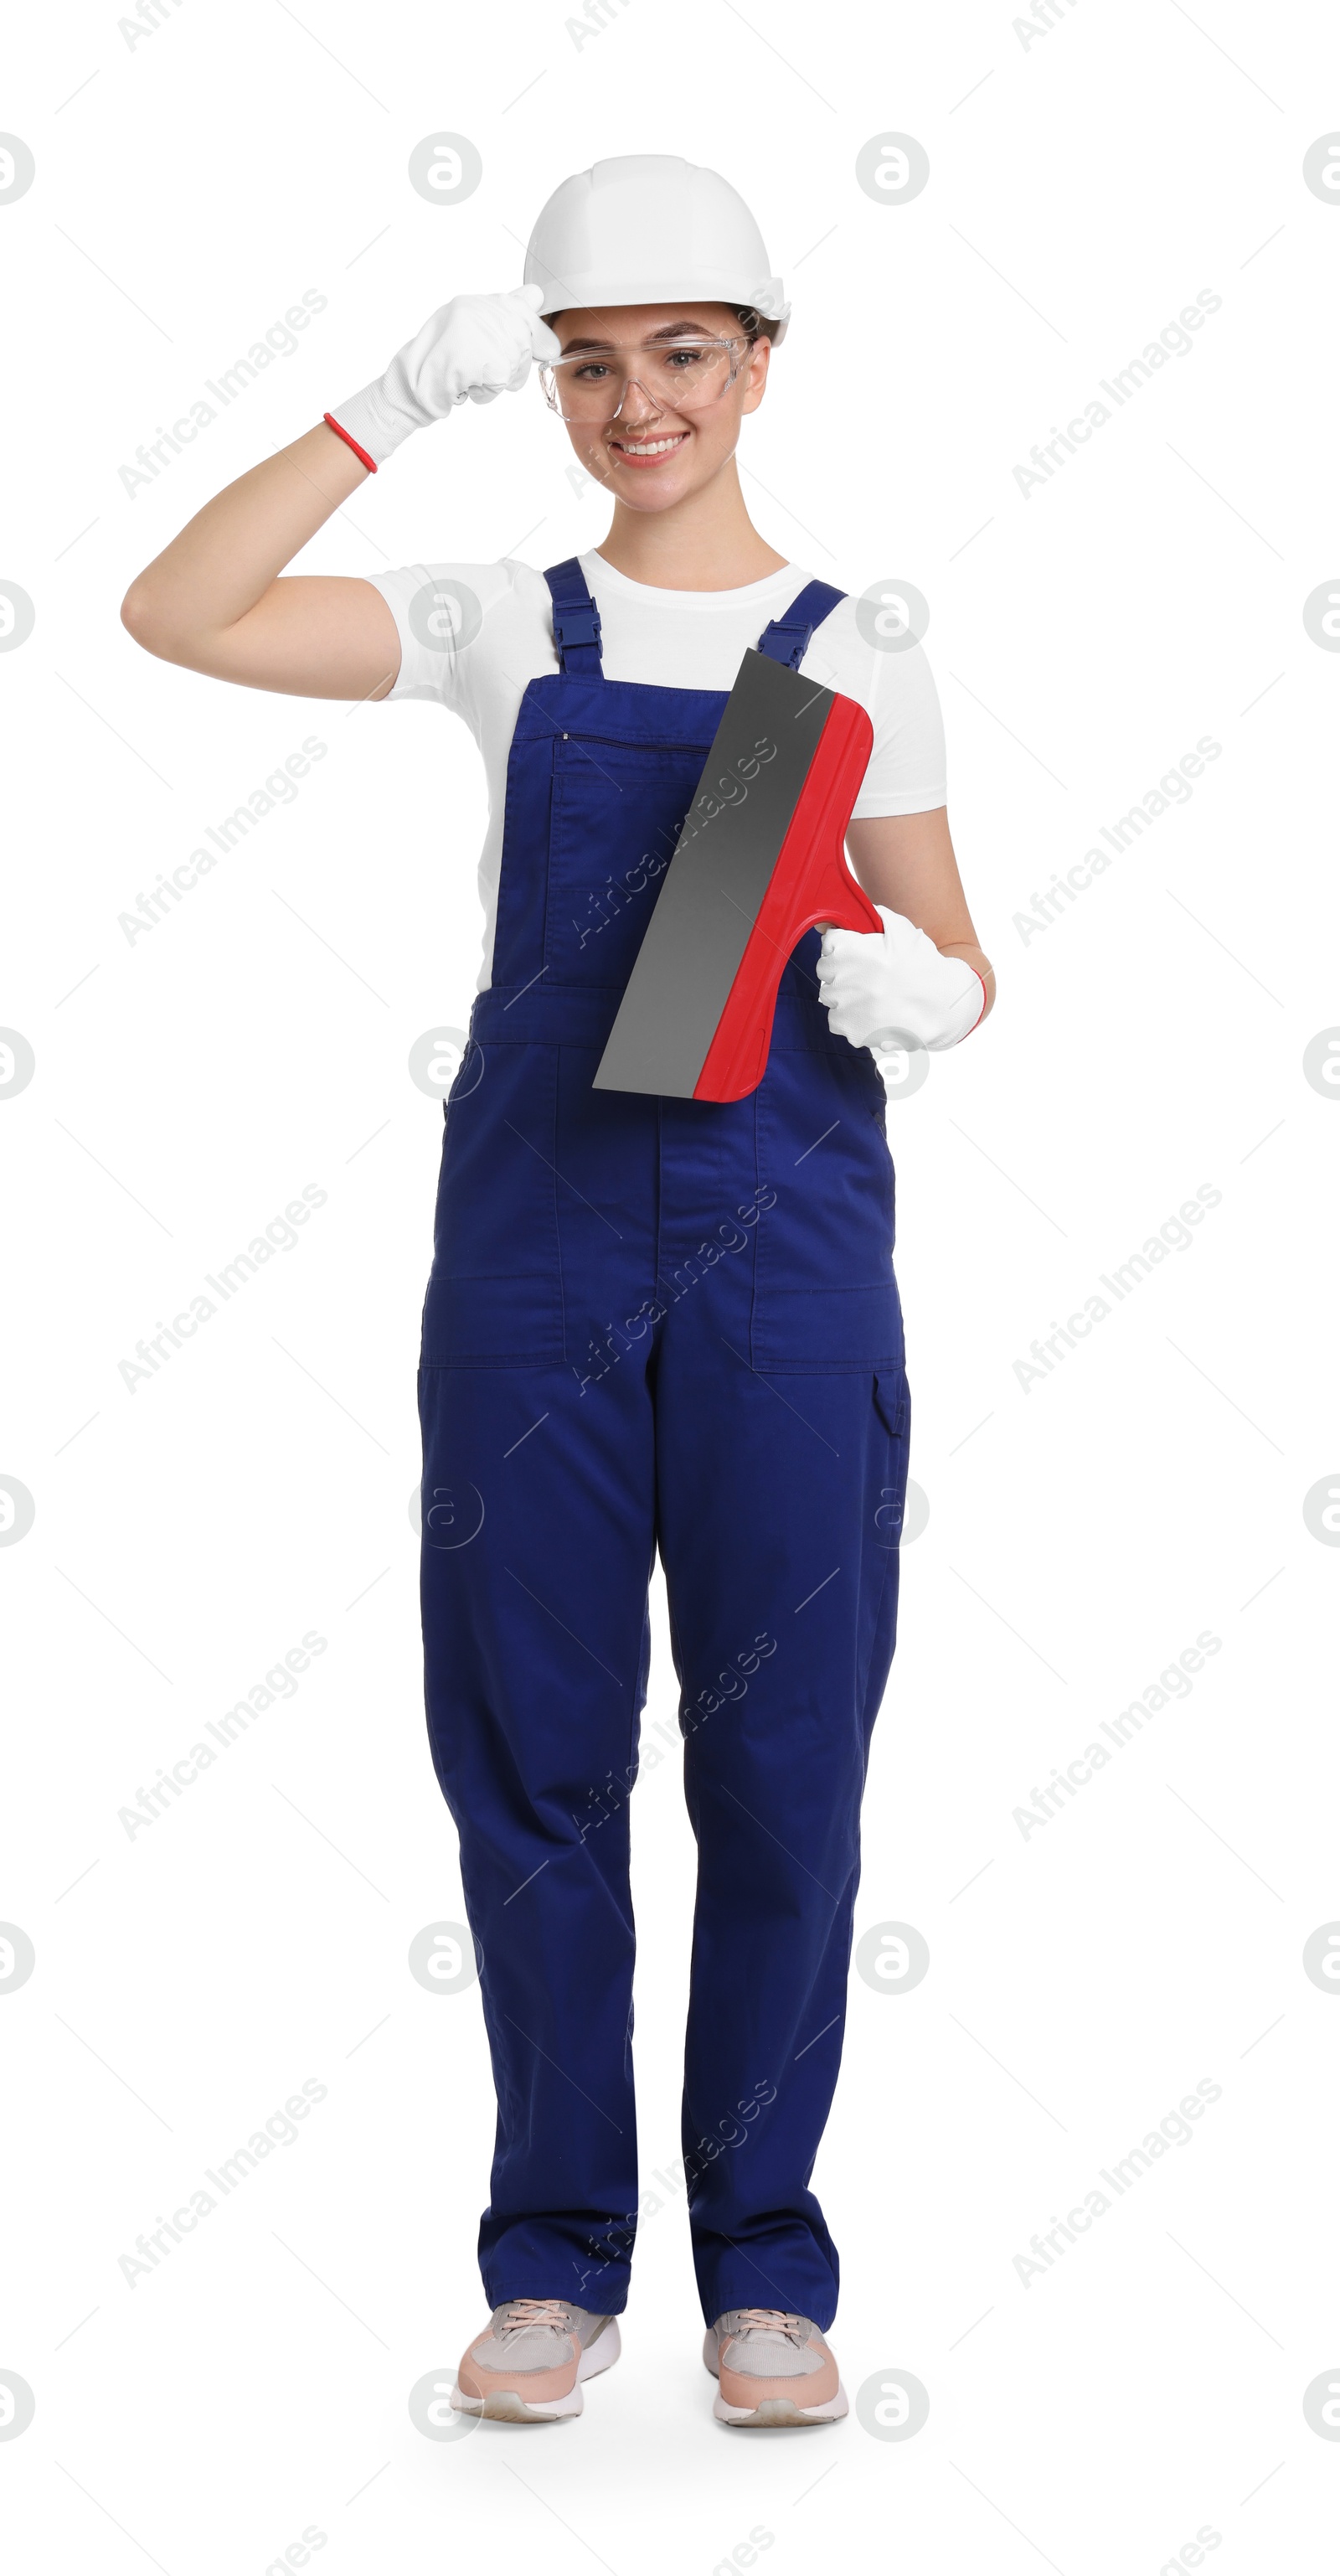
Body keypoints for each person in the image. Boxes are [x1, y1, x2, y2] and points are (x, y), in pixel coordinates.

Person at [122, 154, 994, 2429]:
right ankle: (553, 2258)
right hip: (533, 1265)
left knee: (788, 1766)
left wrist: (936, 996)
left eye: (682, 353)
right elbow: (178, 612)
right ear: (550, 381)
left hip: (791, 1255)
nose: (638, 403)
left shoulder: (860, 646)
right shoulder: (503, 625)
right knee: (532, 1753)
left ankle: (766, 2272)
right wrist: (383, 403)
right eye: (590, 362)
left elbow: (962, 945)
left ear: (762, 362)